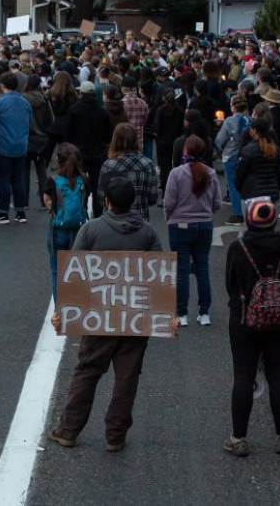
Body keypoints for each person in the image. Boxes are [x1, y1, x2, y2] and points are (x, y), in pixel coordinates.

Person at [47, 176, 170, 452]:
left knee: (88, 372)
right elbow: (159, 277)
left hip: (98, 316)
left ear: (107, 201)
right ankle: (115, 435)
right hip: (135, 318)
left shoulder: (90, 231)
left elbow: (75, 275)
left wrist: (64, 311)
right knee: (127, 378)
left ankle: (68, 430)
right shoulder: (148, 233)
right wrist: (166, 315)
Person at [223, 197, 280, 457]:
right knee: (277, 373)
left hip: (245, 318)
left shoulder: (238, 247)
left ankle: (238, 439)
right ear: (274, 220)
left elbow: (230, 283)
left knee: (243, 375)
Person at [164, 135, 221, 327]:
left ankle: (182, 313)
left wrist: (169, 218)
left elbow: (169, 202)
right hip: (204, 224)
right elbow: (217, 203)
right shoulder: (211, 173)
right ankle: (204, 313)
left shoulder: (176, 173)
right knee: (202, 269)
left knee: (181, 270)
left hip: (180, 225)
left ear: (185, 152)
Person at [42, 143, 88, 300]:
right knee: (78, 271)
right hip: (79, 231)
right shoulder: (84, 179)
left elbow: (48, 203)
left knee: (57, 271)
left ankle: (59, 311)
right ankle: (77, 308)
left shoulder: (53, 180)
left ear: (58, 160)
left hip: (58, 230)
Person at [0, 73, 32, 224]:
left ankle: (2, 213)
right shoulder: (25, 102)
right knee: (18, 179)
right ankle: (20, 211)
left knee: (4, 179)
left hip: (2, 145)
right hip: (21, 145)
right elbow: (29, 122)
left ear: (3, 85)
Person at [66, 81, 114, 218]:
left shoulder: (74, 110)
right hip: (98, 153)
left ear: (81, 93)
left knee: (78, 184)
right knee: (97, 185)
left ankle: (81, 212)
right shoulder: (102, 111)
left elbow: (67, 133)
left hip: (78, 153)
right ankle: (98, 213)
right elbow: (108, 134)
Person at [98, 123, 159, 221]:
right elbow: (153, 197)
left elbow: (101, 198)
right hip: (139, 222)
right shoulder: (147, 164)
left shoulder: (108, 166)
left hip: (112, 222)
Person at [215, 95, 251, 224]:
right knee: (246, 183)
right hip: (248, 154)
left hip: (232, 154)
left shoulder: (229, 121)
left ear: (233, 107)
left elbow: (220, 139)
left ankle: (237, 213)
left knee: (233, 185)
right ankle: (249, 210)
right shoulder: (250, 119)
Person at [235, 118, 280, 203]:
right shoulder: (275, 149)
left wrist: (240, 188)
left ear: (254, 130)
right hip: (271, 194)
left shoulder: (248, 150)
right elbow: (279, 172)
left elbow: (240, 173)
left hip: (252, 193)